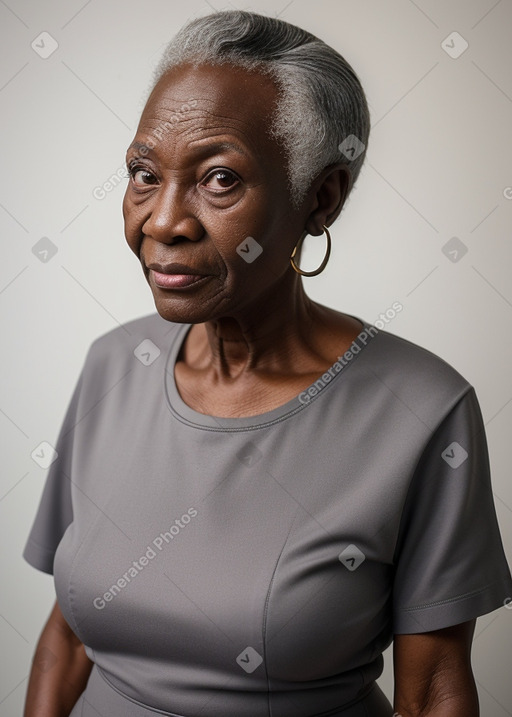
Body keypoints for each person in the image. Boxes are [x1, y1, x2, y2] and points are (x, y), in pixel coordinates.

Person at [22, 10, 512, 717]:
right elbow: (67, 639)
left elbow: (435, 685)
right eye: (143, 173)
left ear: (322, 198)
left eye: (219, 179)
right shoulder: (112, 367)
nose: (162, 220)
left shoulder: (423, 409)